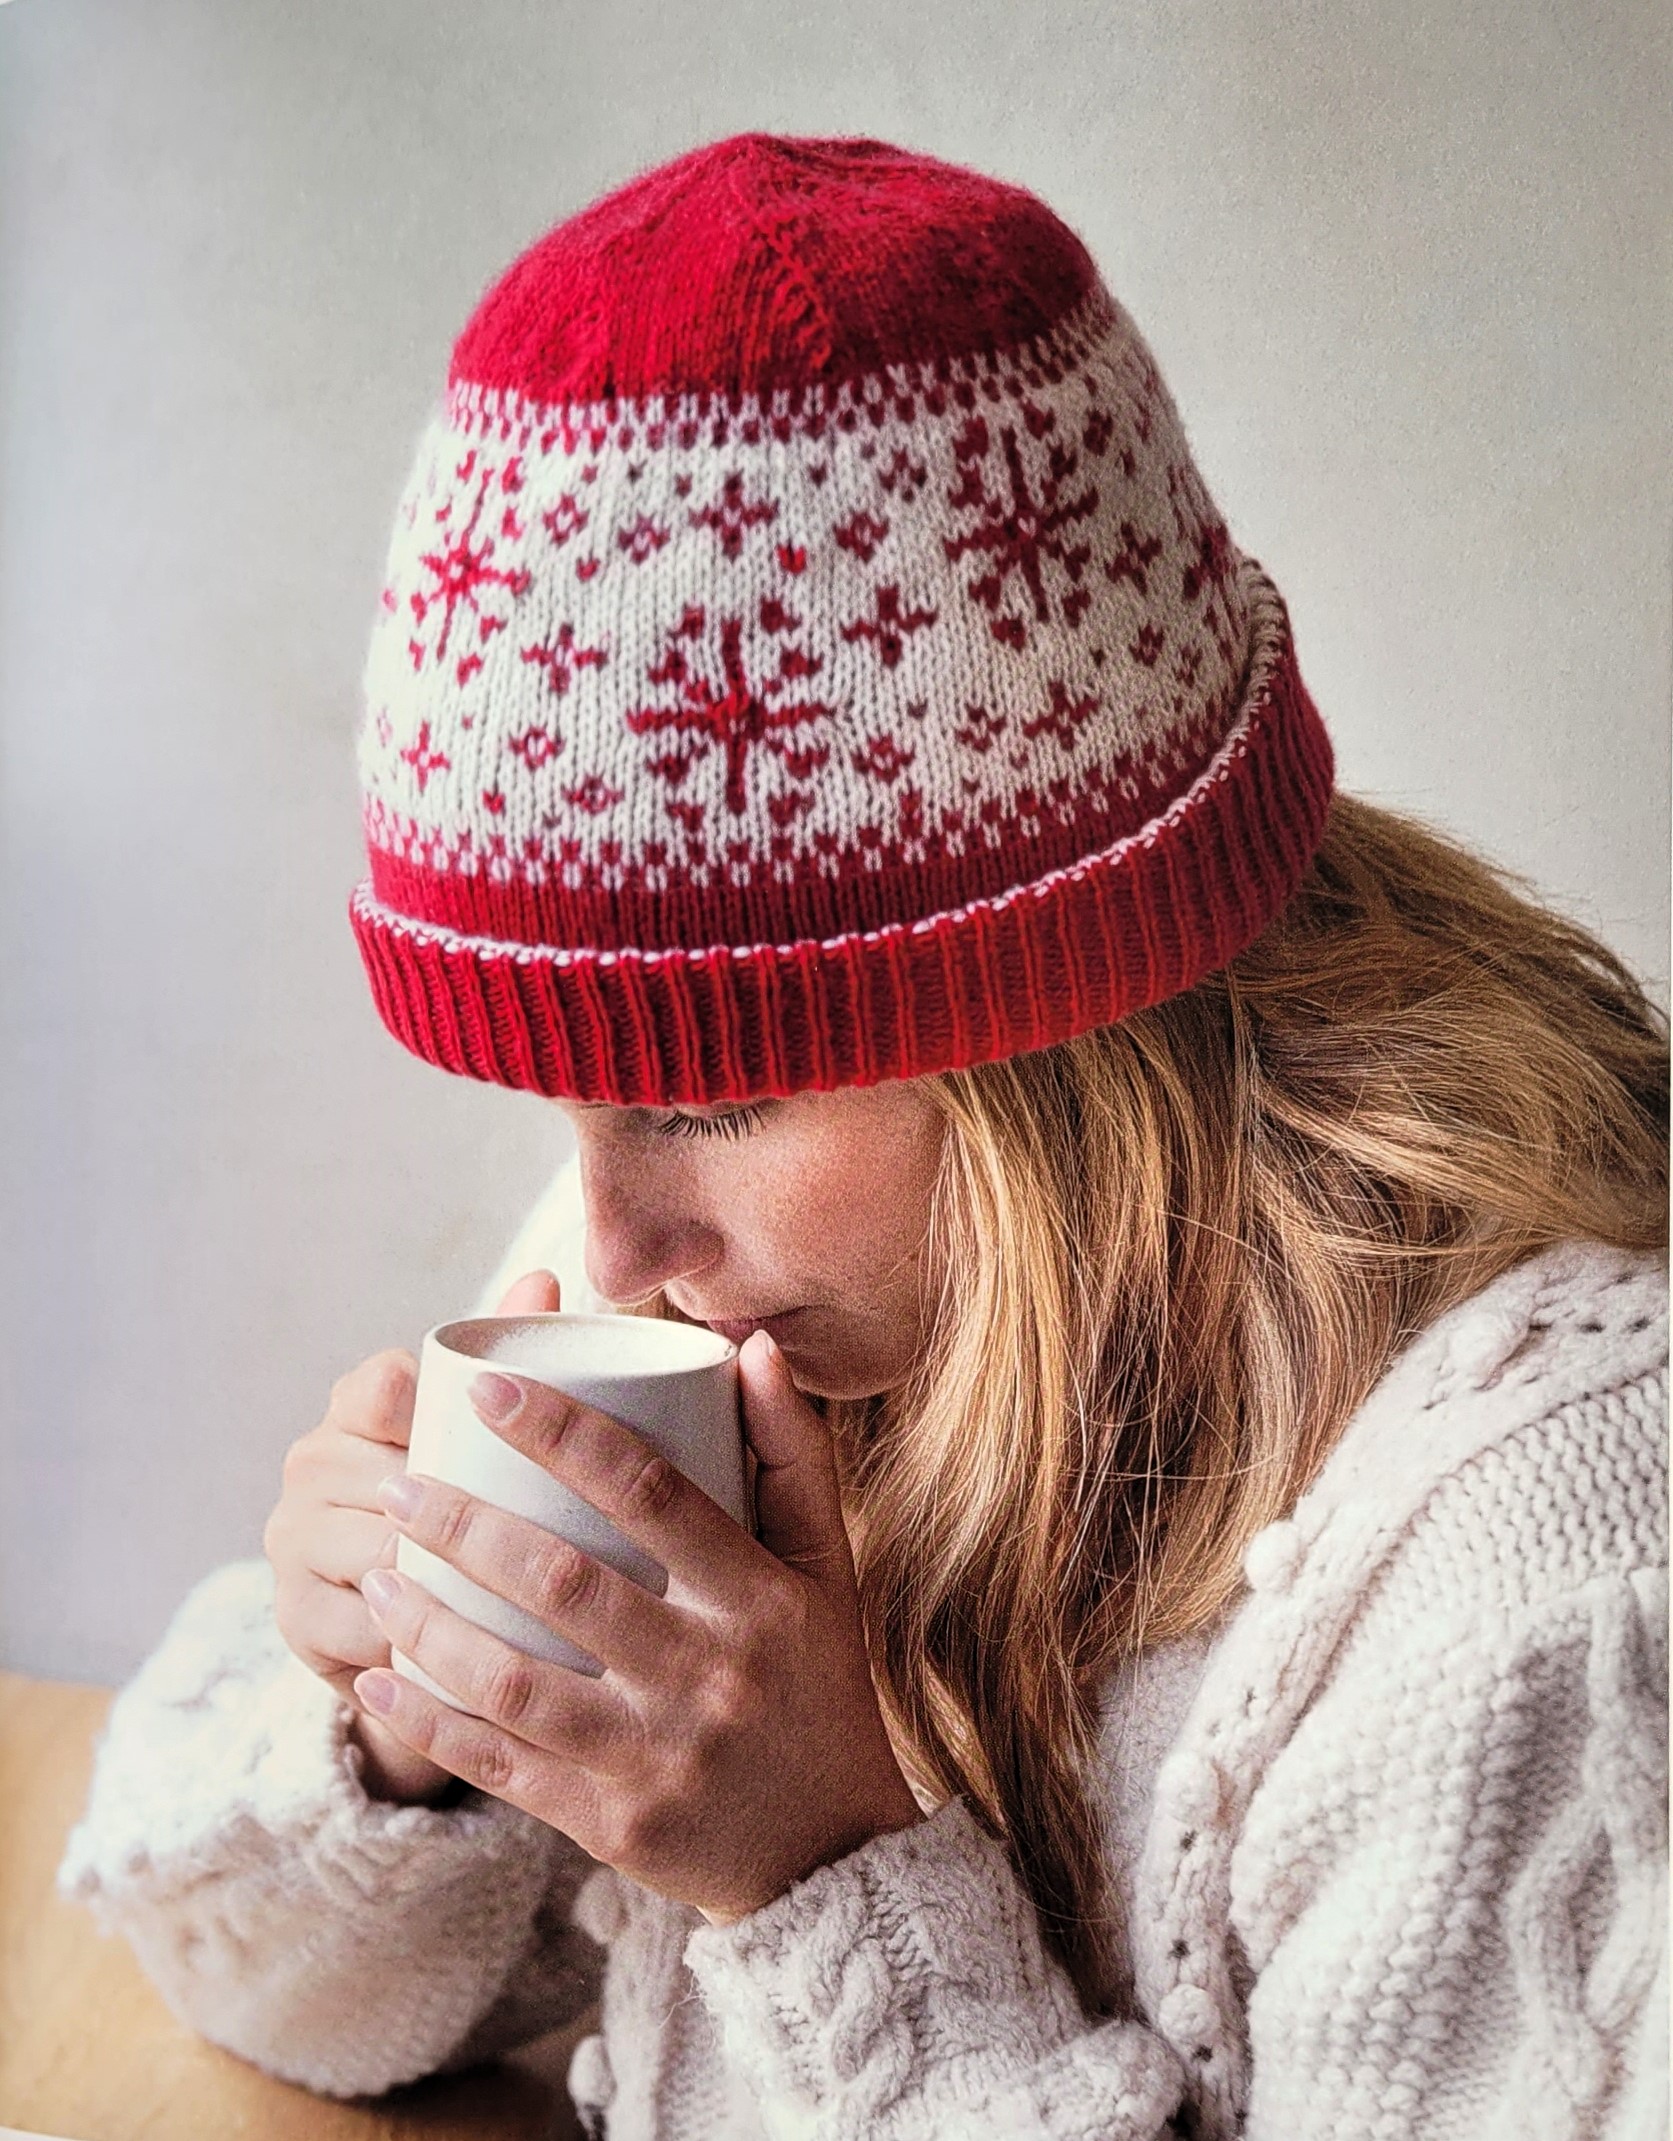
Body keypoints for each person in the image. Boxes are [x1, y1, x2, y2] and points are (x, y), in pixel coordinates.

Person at [59, 132, 1668, 2141]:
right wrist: (418, 1751)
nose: (609, 1242)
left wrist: (825, 1887)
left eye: (713, 1093)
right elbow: (273, 1997)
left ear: (1067, 1028)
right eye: (566, 1097)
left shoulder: (1549, 1571)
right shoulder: (808, 1294)